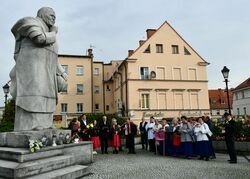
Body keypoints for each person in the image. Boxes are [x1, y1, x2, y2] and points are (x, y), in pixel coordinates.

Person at [10, 7, 68, 131]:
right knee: (35, 95)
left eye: (55, 17)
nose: (54, 18)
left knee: (46, 95)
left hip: (47, 70)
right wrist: (54, 32)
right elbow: (40, 39)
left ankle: (45, 124)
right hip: (32, 69)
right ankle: (32, 125)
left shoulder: (49, 32)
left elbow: (53, 57)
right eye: (51, 15)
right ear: (42, 14)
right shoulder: (31, 22)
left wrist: (62, 72)